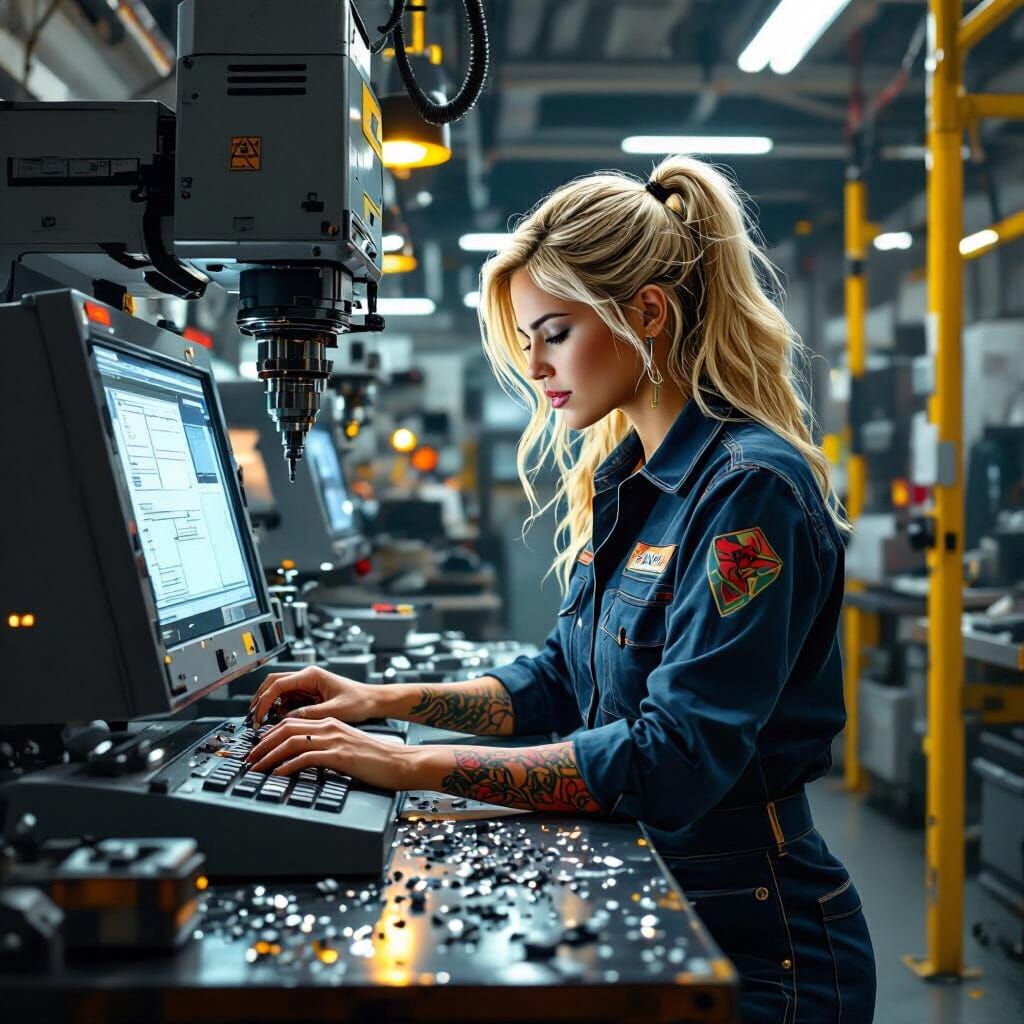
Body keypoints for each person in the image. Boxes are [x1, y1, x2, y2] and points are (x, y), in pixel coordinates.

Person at [246, 155, 876, 1022]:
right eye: (528, 340)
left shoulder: (747, 492)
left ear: (646, 313)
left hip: (762, 945)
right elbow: (555, 680)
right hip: (672, 891)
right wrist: (379, 699)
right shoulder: (636, 480)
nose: (538, 367)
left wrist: (414, 765)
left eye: (553, 331)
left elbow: (676, 757)